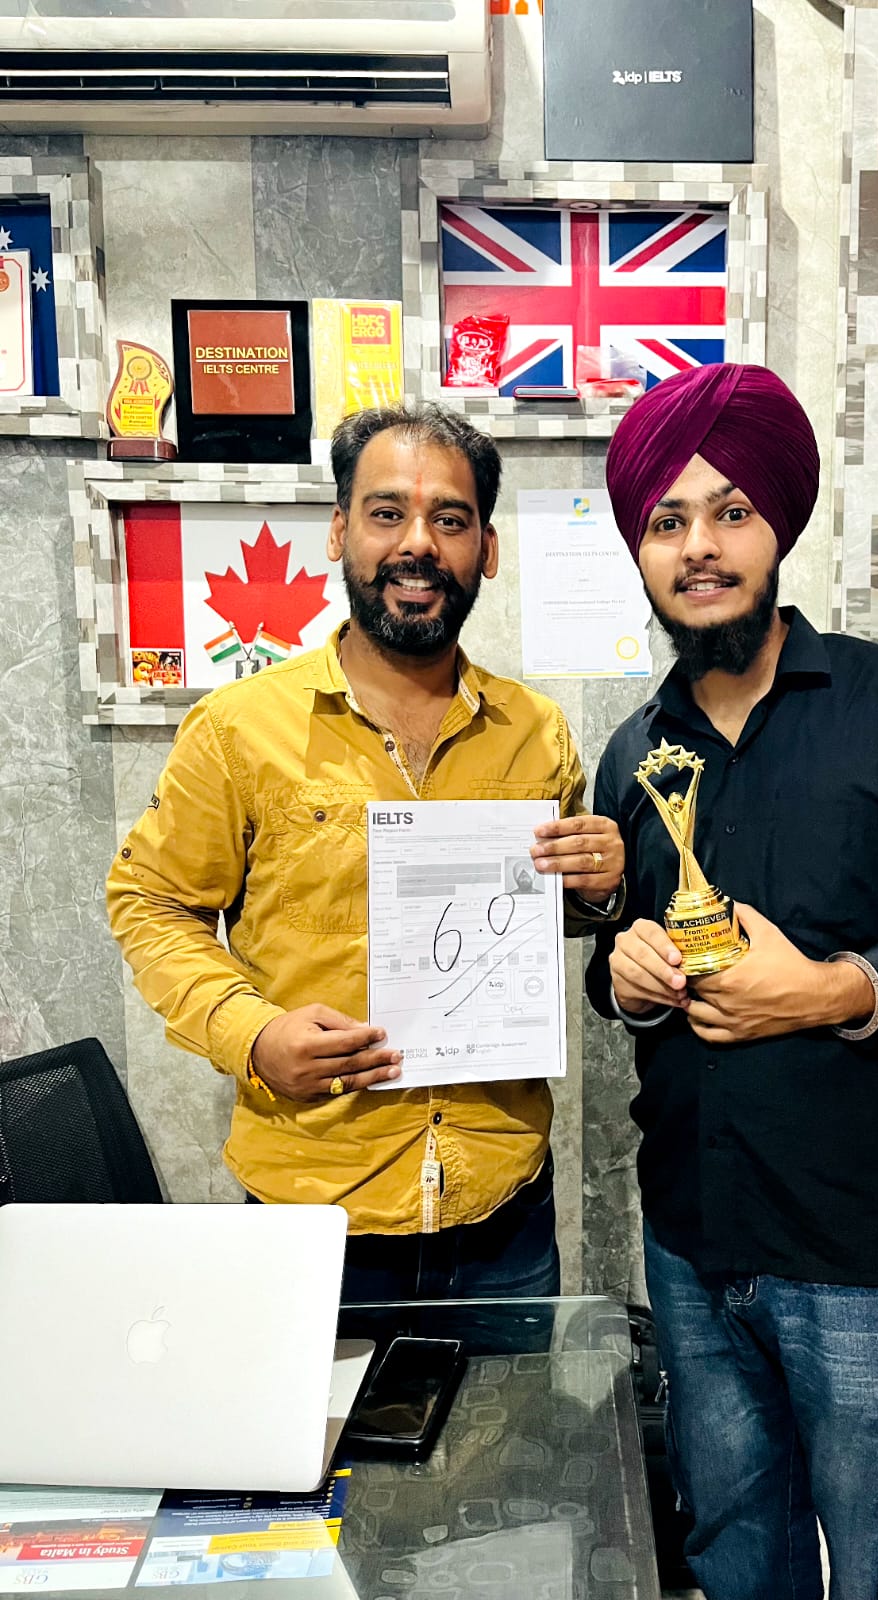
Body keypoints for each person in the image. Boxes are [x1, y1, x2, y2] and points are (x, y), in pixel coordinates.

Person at [585, 363, 878, 1600]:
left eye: (731, 511)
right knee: (737, 1551)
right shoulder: (634, 754)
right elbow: (619, 957)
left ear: (778, 526)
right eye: (667, 521)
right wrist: (626, 973)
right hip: (692, 1244)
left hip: (859, 1251)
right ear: (641, 549)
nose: (700, 546)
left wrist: (841, 988)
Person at [108, 403, 624, 1303]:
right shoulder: (237, 729)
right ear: (340, 530)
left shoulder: (536, 732)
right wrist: (250, 1033)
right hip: (312, 1216)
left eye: (450, 519)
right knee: (314, 1409)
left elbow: (549, 910)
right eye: (388, 512)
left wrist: (598, 889)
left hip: (504, 1209)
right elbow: (151, 902)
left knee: (517, 1409)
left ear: (487, 550)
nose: (417, 543)